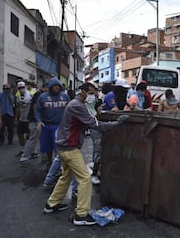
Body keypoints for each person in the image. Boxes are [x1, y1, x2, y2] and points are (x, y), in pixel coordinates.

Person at [43, 82, 129, 226]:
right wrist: (117, 124)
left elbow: (91, 119)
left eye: (94, 93)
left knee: (66, 177)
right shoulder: (77, 105)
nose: (93, 96)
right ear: (83, 92)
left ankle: (51, 204)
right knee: (85, 179)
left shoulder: (76, 104)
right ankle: (81, 214)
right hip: (70, 148)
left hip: (64, 147)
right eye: (90, 93)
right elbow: (96, 125)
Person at [35, 77, 70, 189]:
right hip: (46, 125)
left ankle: (58, 166)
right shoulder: (43, 97)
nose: (56, 88)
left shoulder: (64, 96)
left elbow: (70, 109)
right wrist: (39, 121)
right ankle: (49, 162)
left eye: (58, 86)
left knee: (58, 147)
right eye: (54, 86)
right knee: (47, 146)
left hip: (60, 125)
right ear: (50, 87)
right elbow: (38, 111)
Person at [20, 83, 48, 162]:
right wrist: (38, 119)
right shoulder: (39, 94)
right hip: (35, 120)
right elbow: (35, 107)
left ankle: (43, 156)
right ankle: (25, 155)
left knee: (41, 138)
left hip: (38, 120)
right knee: (33, 138)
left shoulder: (41, 94)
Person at [14, 81, 32, 157]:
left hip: (29, 119)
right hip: (21, 118)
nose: (21, 89)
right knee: (20, 135)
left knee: (29, 135)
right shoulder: (18, 97)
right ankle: (23, 149)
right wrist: (16, 117)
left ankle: (30, 150)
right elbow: (17, 108)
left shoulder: (31, 96)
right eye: (20, 88)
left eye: (23, 87)